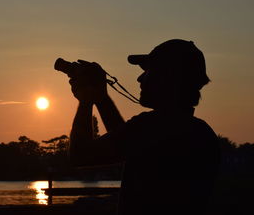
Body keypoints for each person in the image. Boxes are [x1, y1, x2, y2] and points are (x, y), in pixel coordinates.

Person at [68, 39, 220, 215]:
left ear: (167, 78)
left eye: (148, 71)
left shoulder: (154, 127)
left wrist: (86, 101)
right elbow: (127, 143)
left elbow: (81, 155)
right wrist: (102, 99)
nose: (140, 78)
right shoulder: (201, 132)